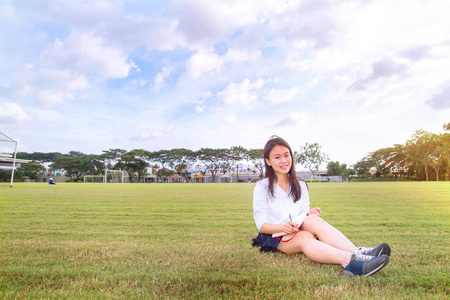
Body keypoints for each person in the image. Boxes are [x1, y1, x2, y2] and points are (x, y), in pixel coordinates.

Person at [252, 136, 390, 277]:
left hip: (296, 228)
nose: (284, 160)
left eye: (286, 155)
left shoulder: (300, 185)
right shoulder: (262, 187)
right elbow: (262, 225)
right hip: (276, 235)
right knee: (305, 237)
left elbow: (302, 214)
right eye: (277, 157)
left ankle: (358, 252)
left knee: (312, 220)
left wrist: (308, 214)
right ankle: (349, 262)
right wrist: (282, 227)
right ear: (268, 161)